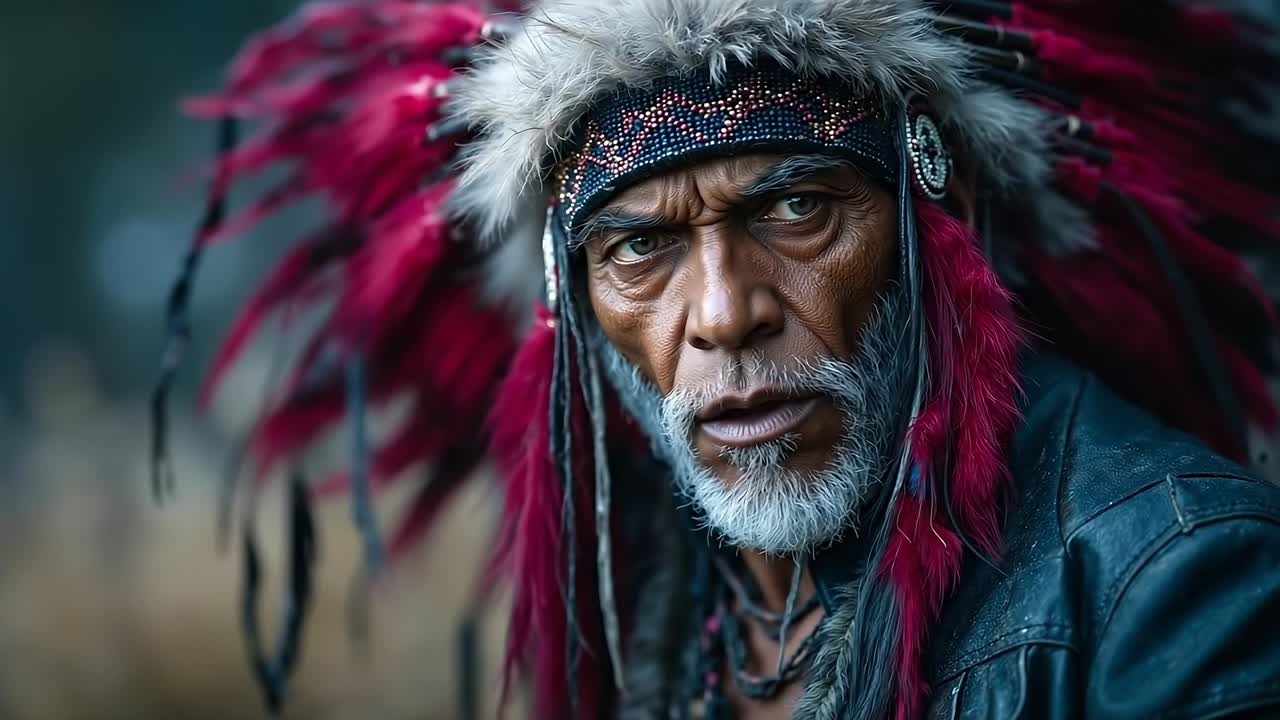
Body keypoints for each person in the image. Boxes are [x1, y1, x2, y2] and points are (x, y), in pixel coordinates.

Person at [154, 0, 1280, 717]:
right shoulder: (651, 577)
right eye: (638, 248)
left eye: (796, 210)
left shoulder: (1176, 581)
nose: (724, 316)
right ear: (573, 304)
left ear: (943, 216)